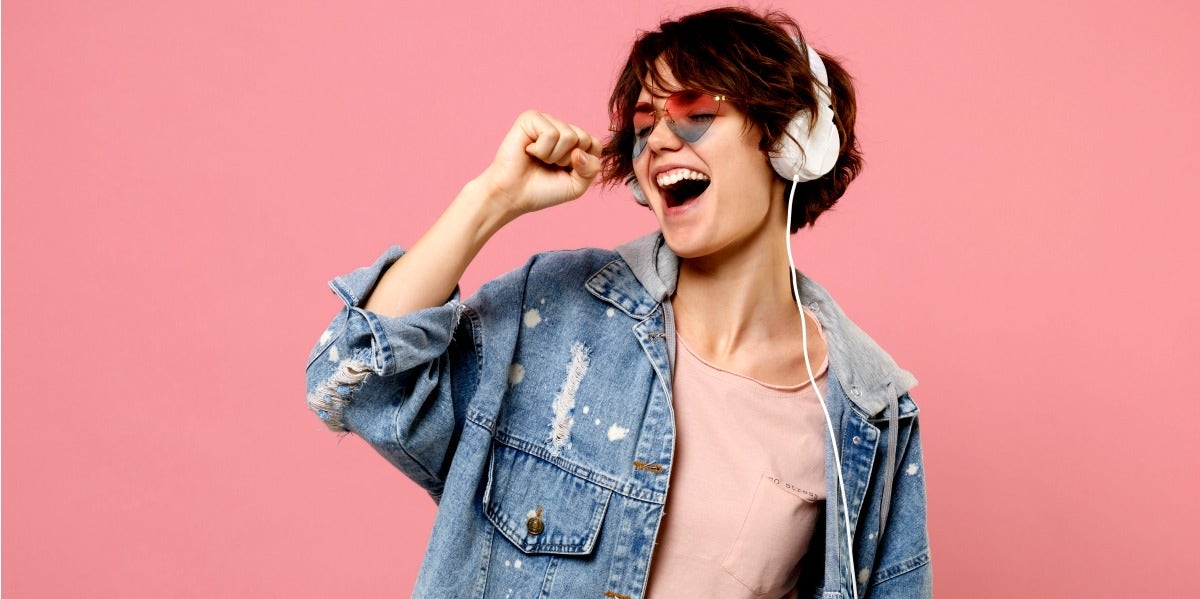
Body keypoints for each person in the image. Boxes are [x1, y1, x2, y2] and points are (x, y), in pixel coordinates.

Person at [305, 7, 930, 598]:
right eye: (642, 126)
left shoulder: (868, 411)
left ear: (788, 139)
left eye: (693, 113)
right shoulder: (555, 316)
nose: (658, 140)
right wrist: (491, 198)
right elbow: (352, 383)